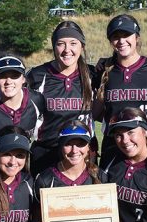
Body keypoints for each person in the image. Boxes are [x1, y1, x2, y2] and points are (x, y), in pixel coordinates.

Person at [95, 15, 147, 163]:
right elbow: (95, 113)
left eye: (126, 35)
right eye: (116, 37)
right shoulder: (103, 71)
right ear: (110, 41)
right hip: (114, 144)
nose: (121, 41)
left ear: (137, 37)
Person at [27, 21, 97, 176]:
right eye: (61, 44)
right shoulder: (37, 76)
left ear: (82, 46)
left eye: (73, 43)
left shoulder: (93, 75)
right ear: (54, 47)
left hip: (82, 154)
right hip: (46, 155)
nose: (67, 50)